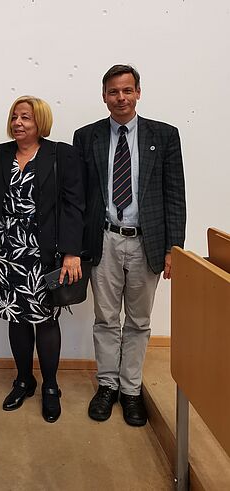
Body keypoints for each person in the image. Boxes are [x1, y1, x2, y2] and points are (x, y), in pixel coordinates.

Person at [73, 64, 186, 427]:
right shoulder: (86, 136)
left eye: (127, 91)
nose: (120, 98)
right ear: (103, 95)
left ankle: (132, 389)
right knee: (106, 319)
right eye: (113, 92)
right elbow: (77, 197)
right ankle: (107, 386)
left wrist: (174, 248)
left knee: (138, 321)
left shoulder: (164, 136)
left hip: (146, 242)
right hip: (103, 239)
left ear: (138, 92)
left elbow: (174, 195)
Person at [0, 96, 84, 423]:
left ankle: (51, 386)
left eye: (25, 117)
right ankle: (24, 380)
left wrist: (71, 252)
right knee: (16, 317)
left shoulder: (60, 154)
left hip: (43, 251)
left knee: (46, 320)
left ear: (40, 121)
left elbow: (73, 205)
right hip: (7, 250)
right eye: (14, 116)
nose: (18, 123)